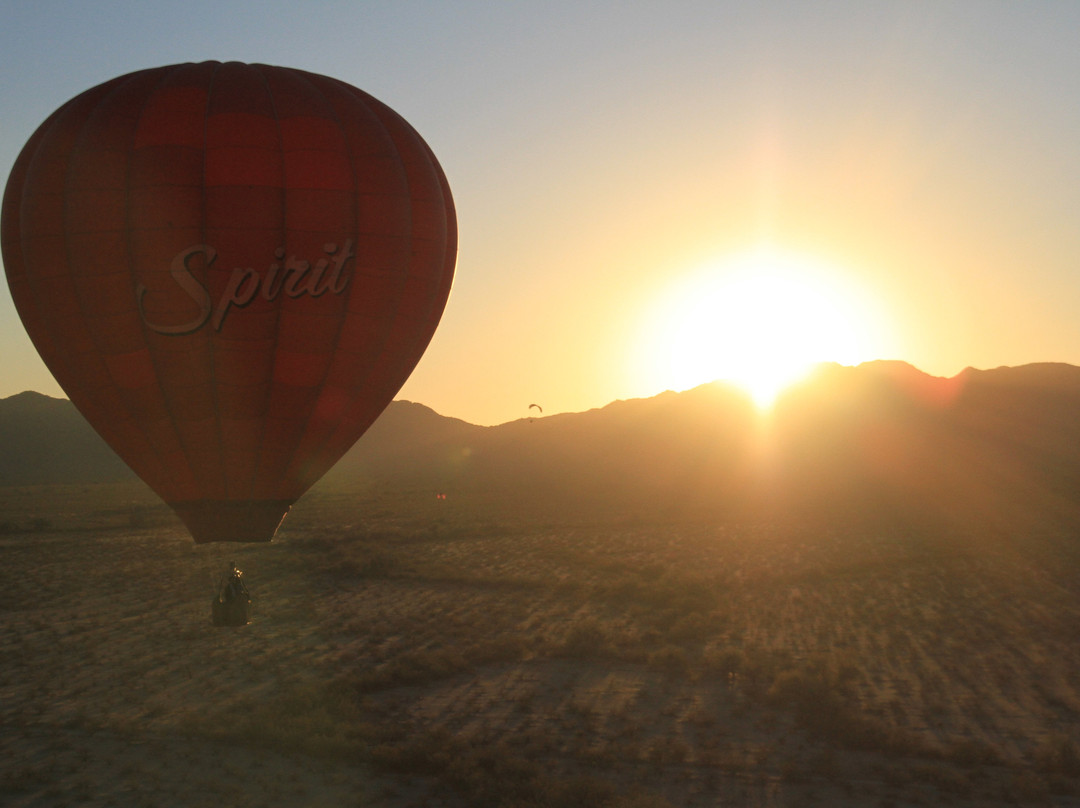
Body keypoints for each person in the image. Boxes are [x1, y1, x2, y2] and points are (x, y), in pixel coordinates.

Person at [212, 562, 251, 626]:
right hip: (231, 596)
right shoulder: (229, 579)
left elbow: (242, 586)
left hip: (237, 595)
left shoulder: (237, 576)